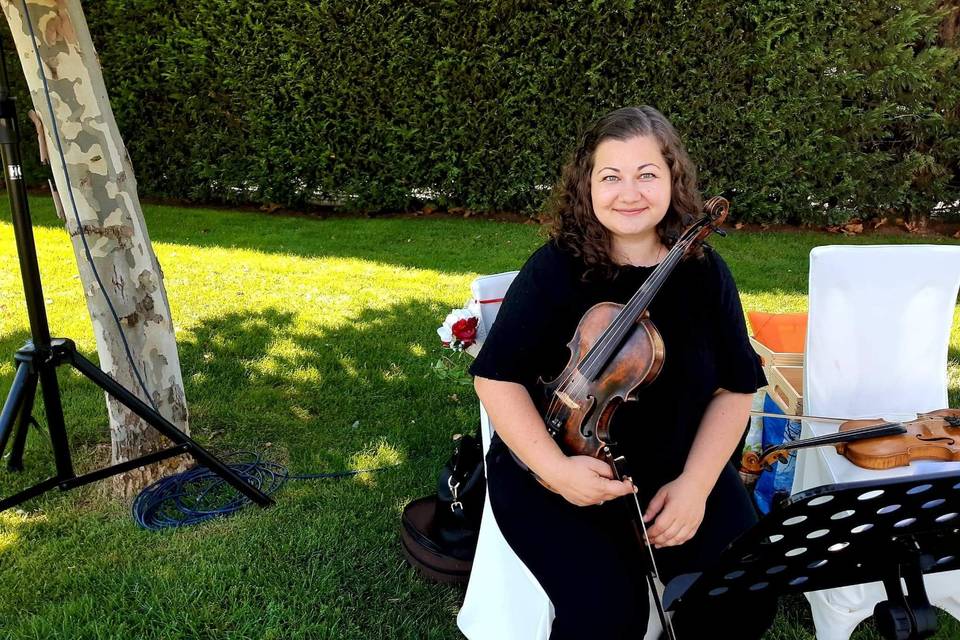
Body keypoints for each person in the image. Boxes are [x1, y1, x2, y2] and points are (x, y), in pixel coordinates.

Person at [469, 106, 778, 639]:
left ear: (672, 180)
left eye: (646, 175)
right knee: (607, 616)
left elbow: (736, 386)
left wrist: (696, 487)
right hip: (555, 459)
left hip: (679, 462)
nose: (628, 192)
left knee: (743, 597)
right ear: (587, 186)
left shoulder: (704, 273)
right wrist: (555, 472)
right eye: (611, 177)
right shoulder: (556, 268)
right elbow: (496, 379)